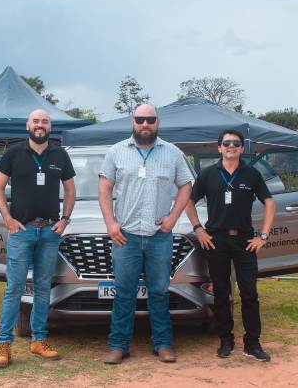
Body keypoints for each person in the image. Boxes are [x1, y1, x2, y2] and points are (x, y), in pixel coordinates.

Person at [98, 104, 193, 364]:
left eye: (150, 119)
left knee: (159, 292)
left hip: (159, 236)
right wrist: (110, 223)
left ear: (157, 122)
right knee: (123, 292)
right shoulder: (116, 151)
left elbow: (186, 185)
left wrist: (173, 217)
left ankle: (162, 344)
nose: (145, 124)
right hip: (125, 236)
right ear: (133, 121)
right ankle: (118, 346)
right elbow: (104, 188)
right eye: (140, 119)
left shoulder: (172, 153)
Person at [0, 109, 76, 368]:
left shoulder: (60, 155)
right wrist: (7, 218)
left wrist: (65, 219)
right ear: (28, 125)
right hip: (22, 231)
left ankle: (39, 341)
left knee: (42, 288)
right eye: (36, 121)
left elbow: (70, 189)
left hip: (49, 232)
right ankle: (4, 344)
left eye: (45, 121)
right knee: (14, 288)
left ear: (50, 127)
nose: (40, 125)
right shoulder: (13, 153)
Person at [185, 129, 275, 362]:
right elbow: (189, 202)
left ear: (242, 148)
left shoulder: (251, 174)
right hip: (216, 241)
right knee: (221, 292)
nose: (231, 146)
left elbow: (269, 202)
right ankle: (225, 340)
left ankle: (252, 344)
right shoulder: (208, 174)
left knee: (249, 293)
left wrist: (263, 236)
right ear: (219, 148)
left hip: (244, 241)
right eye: (227, 143)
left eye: (236, 143)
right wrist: (199, 229)